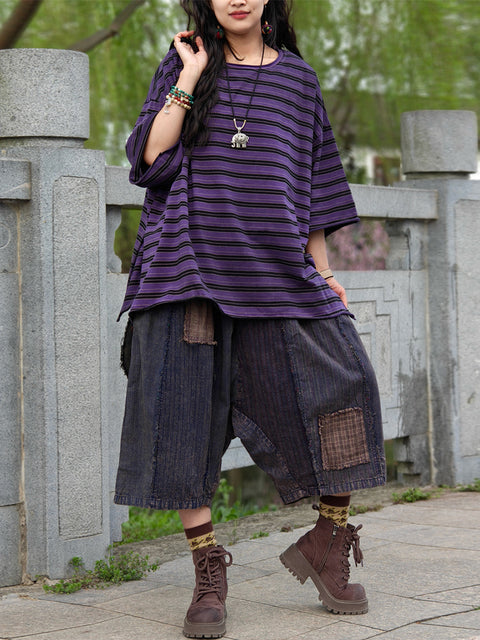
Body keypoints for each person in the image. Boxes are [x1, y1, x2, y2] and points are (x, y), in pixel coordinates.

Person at [114, 0, 386, 637]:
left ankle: (327, 540)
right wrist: (187, 77)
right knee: (183, 419)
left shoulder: (298, 79)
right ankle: (208, 570)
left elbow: (315, 180)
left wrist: (321, 269)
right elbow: (149, 161)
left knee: (348, 388)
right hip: (191, 272)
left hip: (276, 274)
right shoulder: (188, 61)